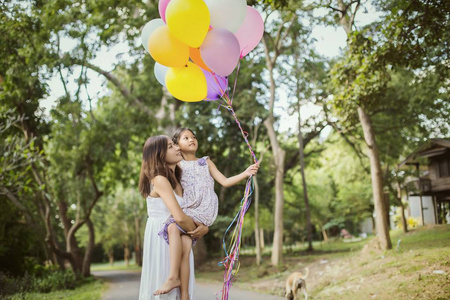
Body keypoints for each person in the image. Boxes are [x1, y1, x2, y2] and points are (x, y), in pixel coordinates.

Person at [154, 127, 259, 297]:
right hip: (188, 209)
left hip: (204, 209)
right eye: (186, 138)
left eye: (193, 137)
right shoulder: (177, 165)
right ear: (177, 145)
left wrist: (245, 173)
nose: (191, 140)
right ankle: (185, 295)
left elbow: (224, 181)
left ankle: (173, 278)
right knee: (186, 249)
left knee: (173, 228)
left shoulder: (205, 161)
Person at [138, 135, 208, 300]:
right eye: (170, 146)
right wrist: (201, 230)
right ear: (159, 154)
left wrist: (202, 226)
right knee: (166, 290)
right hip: (162, 237)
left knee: (182, 294)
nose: (177, 148)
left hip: (178, 236)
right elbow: (179, 217)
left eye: (175, 145)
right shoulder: (159, 179)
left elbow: (186, 214)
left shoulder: (177, 178)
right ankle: (172, 278)